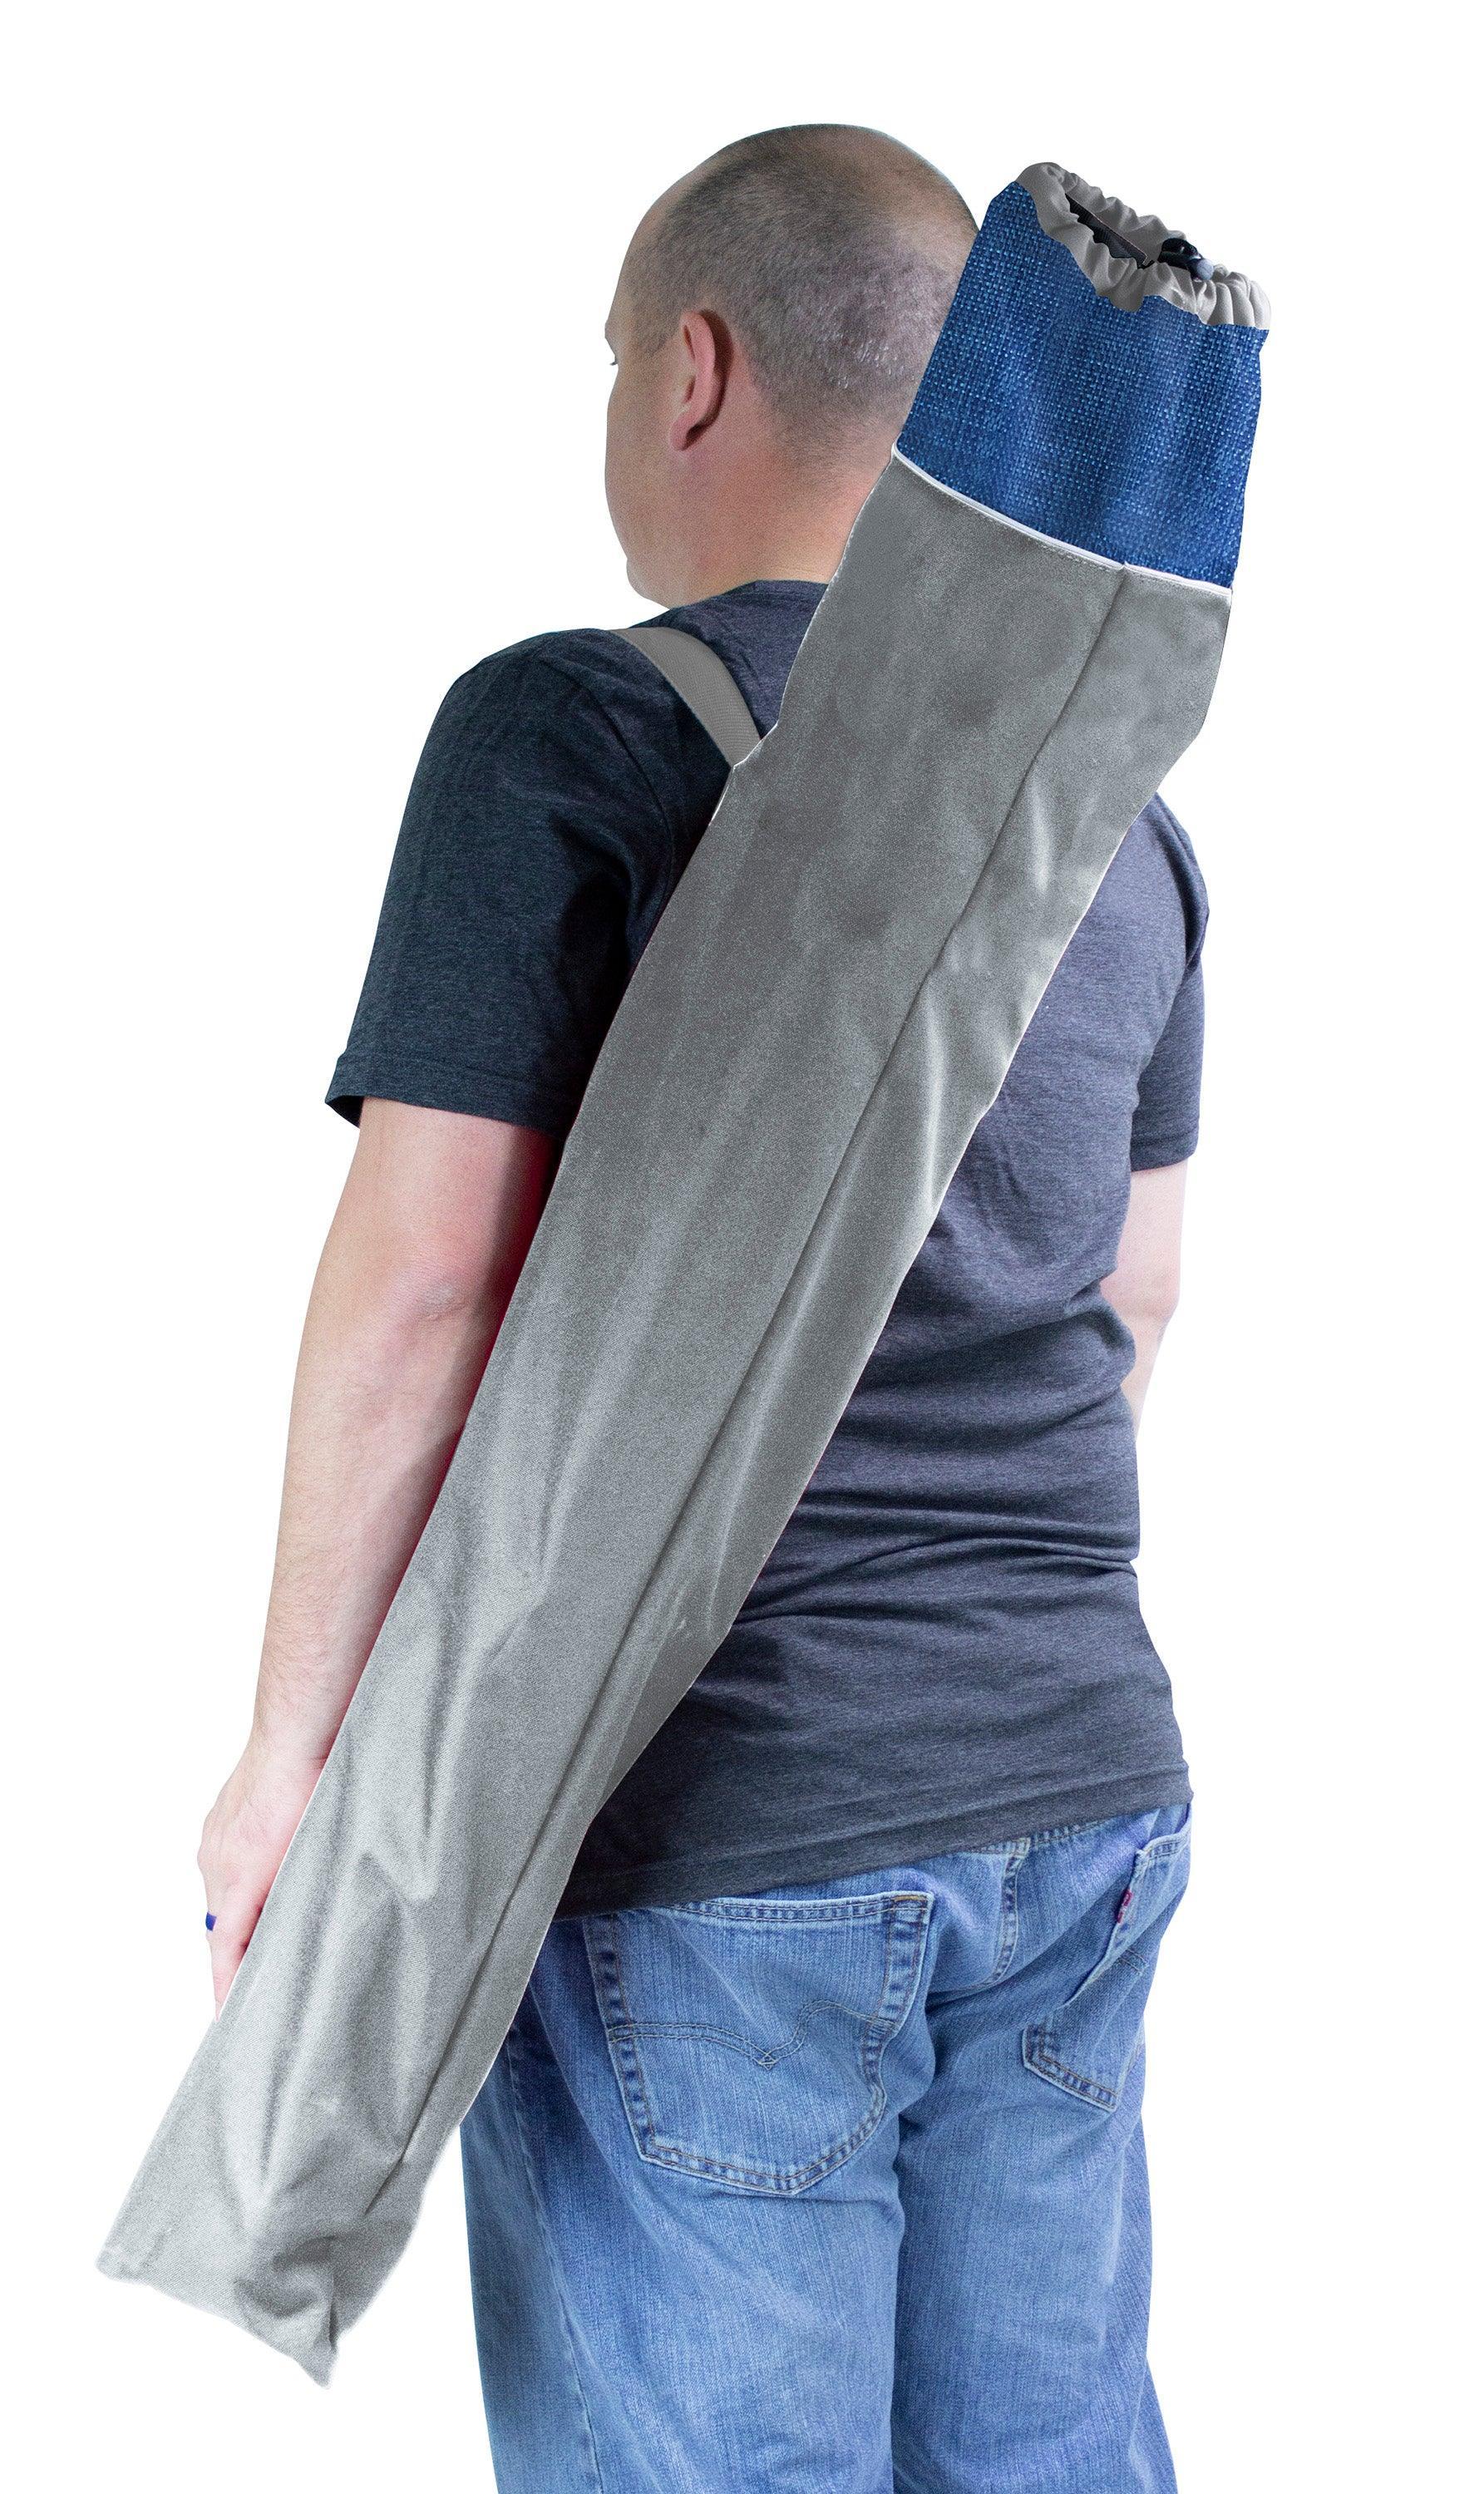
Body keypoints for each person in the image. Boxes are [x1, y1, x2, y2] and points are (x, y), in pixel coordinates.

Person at [198, 125, 1207, 2492]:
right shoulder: (1111, 806)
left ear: (693, 371)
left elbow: (426, 1286)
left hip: (713, 1823)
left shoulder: (579, 730)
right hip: (1076, 1786)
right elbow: (1132, 1296)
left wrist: (288, 1767)